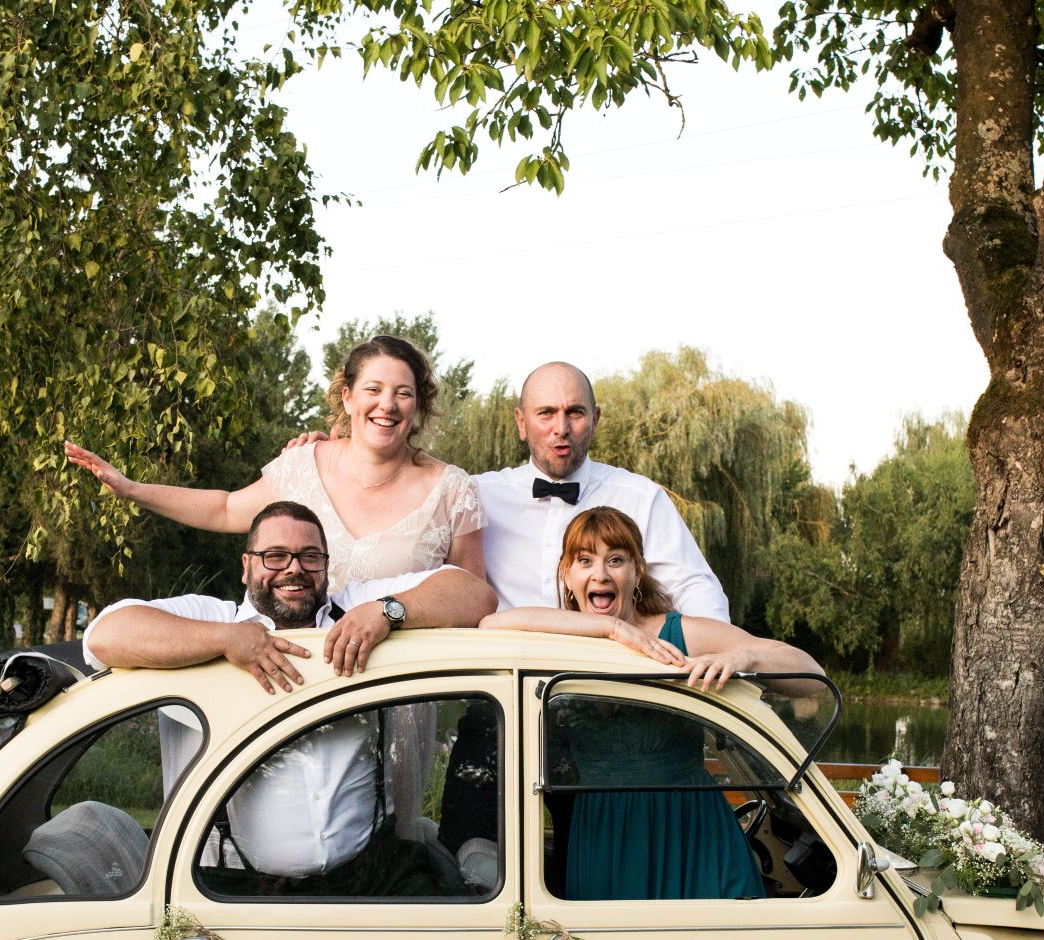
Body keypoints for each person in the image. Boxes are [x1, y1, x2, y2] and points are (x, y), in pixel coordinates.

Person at [82, 501, 494, 884]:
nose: (293, 569)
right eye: (274, 556)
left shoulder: (358, 607)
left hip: (365, 882)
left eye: (309, 556)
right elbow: (105, 634)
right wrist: (227, 640)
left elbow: (475, 595)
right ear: (246, 566)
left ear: (326, 566)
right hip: (231, 890)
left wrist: (386, 611)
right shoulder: (213, 618)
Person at [478, 506, 821, 900]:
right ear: (566, 575)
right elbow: (491, 625)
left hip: (691, 831)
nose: (601, 574)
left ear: (637, 572)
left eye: (616, 560)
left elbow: (808, 673)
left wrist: (744, 658)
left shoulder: (677, 632)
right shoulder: (561, 639)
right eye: (585, 561)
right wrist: (610, 628)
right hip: (604, 835)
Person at [64, 334, 487, 588]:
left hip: (402, 696)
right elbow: (225, 508)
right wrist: (132, 488)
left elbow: (473, 598)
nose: (387, 405)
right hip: (299, 694)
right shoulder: (301, 466)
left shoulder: (452, 490)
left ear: (419, 405)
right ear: (348, 396)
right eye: (373, 389)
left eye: (403, 393)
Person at [475, 361, 728, 618]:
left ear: (595, 420)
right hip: (507, 657)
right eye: (546, 413)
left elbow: (691, 586)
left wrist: (716, 648)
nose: (561, 429)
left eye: (575, 412)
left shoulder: (642, 497)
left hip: (611, 656)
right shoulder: (477, 497)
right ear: (521, 422)